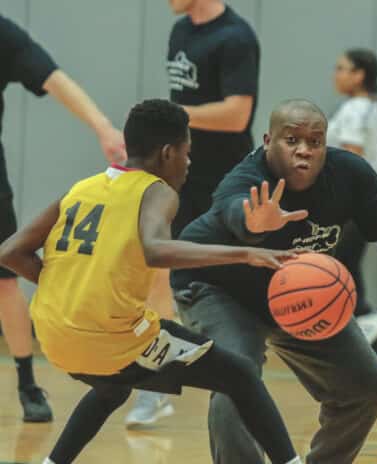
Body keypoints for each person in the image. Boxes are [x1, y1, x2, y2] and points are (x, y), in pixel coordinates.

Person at [0, 99, 302, 464]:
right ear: (167, 153)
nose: (189, 163)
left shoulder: (81, 189)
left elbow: (10, 252)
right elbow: (156, 251)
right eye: (187, 153)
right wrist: (243, 253)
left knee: (113, 385)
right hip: (110, 337)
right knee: (241, 373)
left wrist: (58, 282)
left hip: (53, 337)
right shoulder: (158, 191)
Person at [171, 99, 377, 464]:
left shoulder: (348, 173)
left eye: (315, 141)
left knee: (363, 384)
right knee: (237, 378)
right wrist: (255, 223)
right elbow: (237, 212)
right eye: (292, 140)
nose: (304, 150)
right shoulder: (246, 179)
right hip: (215, 286)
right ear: (268, 141)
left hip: (293, 297)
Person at [126, 0, 261, 426]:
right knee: (156, 274)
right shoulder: (180, 31)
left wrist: (171, 118)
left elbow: (238, 114)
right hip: (177, 175)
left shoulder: (236, 37)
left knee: (231, 287)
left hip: (225, 185)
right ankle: (153, 386)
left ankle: (241, 385)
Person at [0, 13, 126, 423]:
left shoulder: (3, 34)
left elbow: (55, 79)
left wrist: (103, 127)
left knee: (5, 283)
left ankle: (26, 382)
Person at [329, 48, 377, 344]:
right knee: (344, 261)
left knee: (340, 261)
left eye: (342, 68)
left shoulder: (355, 110)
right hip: (373, 200)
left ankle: (365, 316)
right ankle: (357, 321)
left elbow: (351, 157)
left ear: (359, 75)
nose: (337, 74)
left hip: (357, 201)